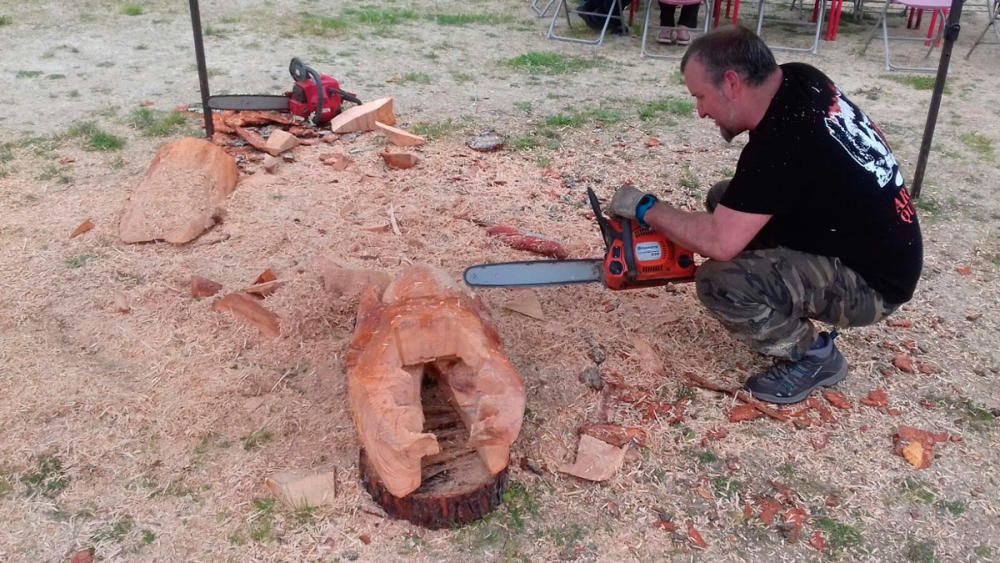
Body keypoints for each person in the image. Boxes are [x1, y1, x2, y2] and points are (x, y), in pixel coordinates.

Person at [611, 25, 922, 404]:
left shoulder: (782, 143)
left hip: (873, 284)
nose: (700, 111)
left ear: (731, 83)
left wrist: (649, 209)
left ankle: (815, 356)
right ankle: (770, 280)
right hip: (867, 241)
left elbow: (719, 243)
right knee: (723, 198)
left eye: (701, 97)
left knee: (719, 280)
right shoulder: (798, 78)